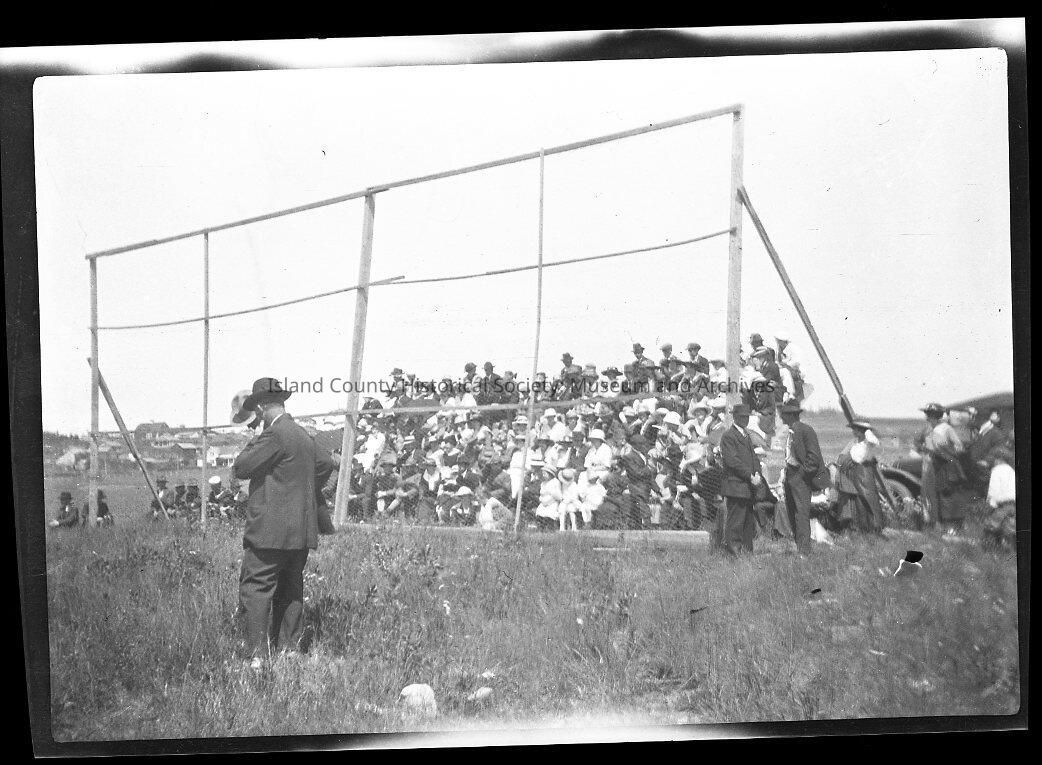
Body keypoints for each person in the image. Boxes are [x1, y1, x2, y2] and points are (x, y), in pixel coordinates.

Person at [233, 377, 337, 667]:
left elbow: (241, 467)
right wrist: (300, 489)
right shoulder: (302, 434)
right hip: (301, 528)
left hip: (270, 530)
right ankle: (289, 651)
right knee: (290, 587)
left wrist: (257, 437)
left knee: (257, 586)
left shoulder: (274, 434)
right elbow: (326, 463)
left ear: (261, 407)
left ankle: (257, 656)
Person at [778, 401, 828, 556]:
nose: (781, 417)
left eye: (784, 414)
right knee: (792, 513)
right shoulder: (792, 432)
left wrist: (801, 474)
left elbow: (814, 458)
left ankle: (804, 552)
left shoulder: (806, 431)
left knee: (801, 514)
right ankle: (800, 548)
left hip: (800, 478)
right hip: (791, 477)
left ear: (792, 415)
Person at [719, 404, 764, 555]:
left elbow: (754, 458)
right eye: (742, 417)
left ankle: (746, 551)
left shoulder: (746, 435)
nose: (745, 419)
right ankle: (733, 552)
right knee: (736, 521)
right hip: (736, 485)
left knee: (747, 521)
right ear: (735, 417)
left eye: (747, 417)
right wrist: (750, 476)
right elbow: (733, 461)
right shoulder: (728, 436)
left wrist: (757, 473)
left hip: (747, 485)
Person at [915, 403, 966, 532]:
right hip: (928, 465)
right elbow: (917, 443)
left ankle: (946, 525)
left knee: (943, 494)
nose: (927, 417)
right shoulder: (926, 429)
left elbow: (959, 447)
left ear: (937, 416)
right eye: (927, 414)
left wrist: (946, 453)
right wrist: (922, 448)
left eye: (930, 415)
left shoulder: (946, 429)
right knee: (927, 493)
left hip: (942, 466)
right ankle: (930, 522)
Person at [833, 420, 885, 534]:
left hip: (865, 471)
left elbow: (875, 442)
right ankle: (863, 527)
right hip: (856, 472)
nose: (854, 432)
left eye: (856, 429)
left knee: (869, 497)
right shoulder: (855, 442)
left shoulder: (868, 442)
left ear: (862, 431)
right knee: (859, 500)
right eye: (854, 429)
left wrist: (868, 432)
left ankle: (875, 526)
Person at [982, 447, 1016, 549]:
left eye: (994, 458)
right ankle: (1005, 548)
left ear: (999, 459)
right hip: (1013, 504)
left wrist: (990, 506)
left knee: (991, 526)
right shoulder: (1011, 471)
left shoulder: (997, 471)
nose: (993, 461)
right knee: (1008, 528)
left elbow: (993, 490)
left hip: (1001, 504)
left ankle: (988, 549)